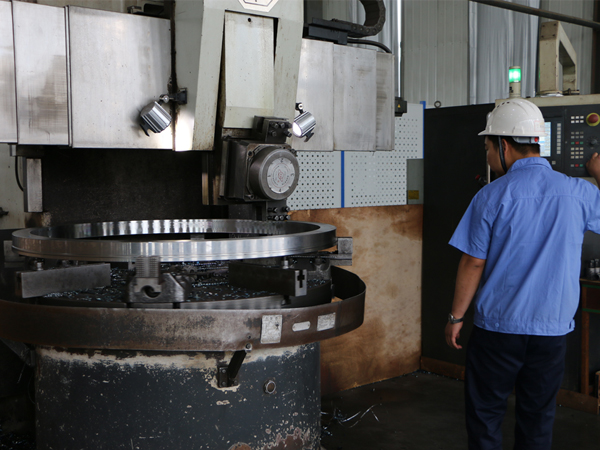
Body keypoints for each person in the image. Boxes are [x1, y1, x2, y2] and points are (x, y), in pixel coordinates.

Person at [444, 98, 600, 450]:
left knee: (485, 414)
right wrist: (598, 173)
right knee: (538, 416)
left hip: (498, 330)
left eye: (487, 148)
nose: (487, 156)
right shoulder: (578, 192)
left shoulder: (491, 196)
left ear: (503, 145)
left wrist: (455, 317)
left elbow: (473, 263)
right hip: (552, 330)